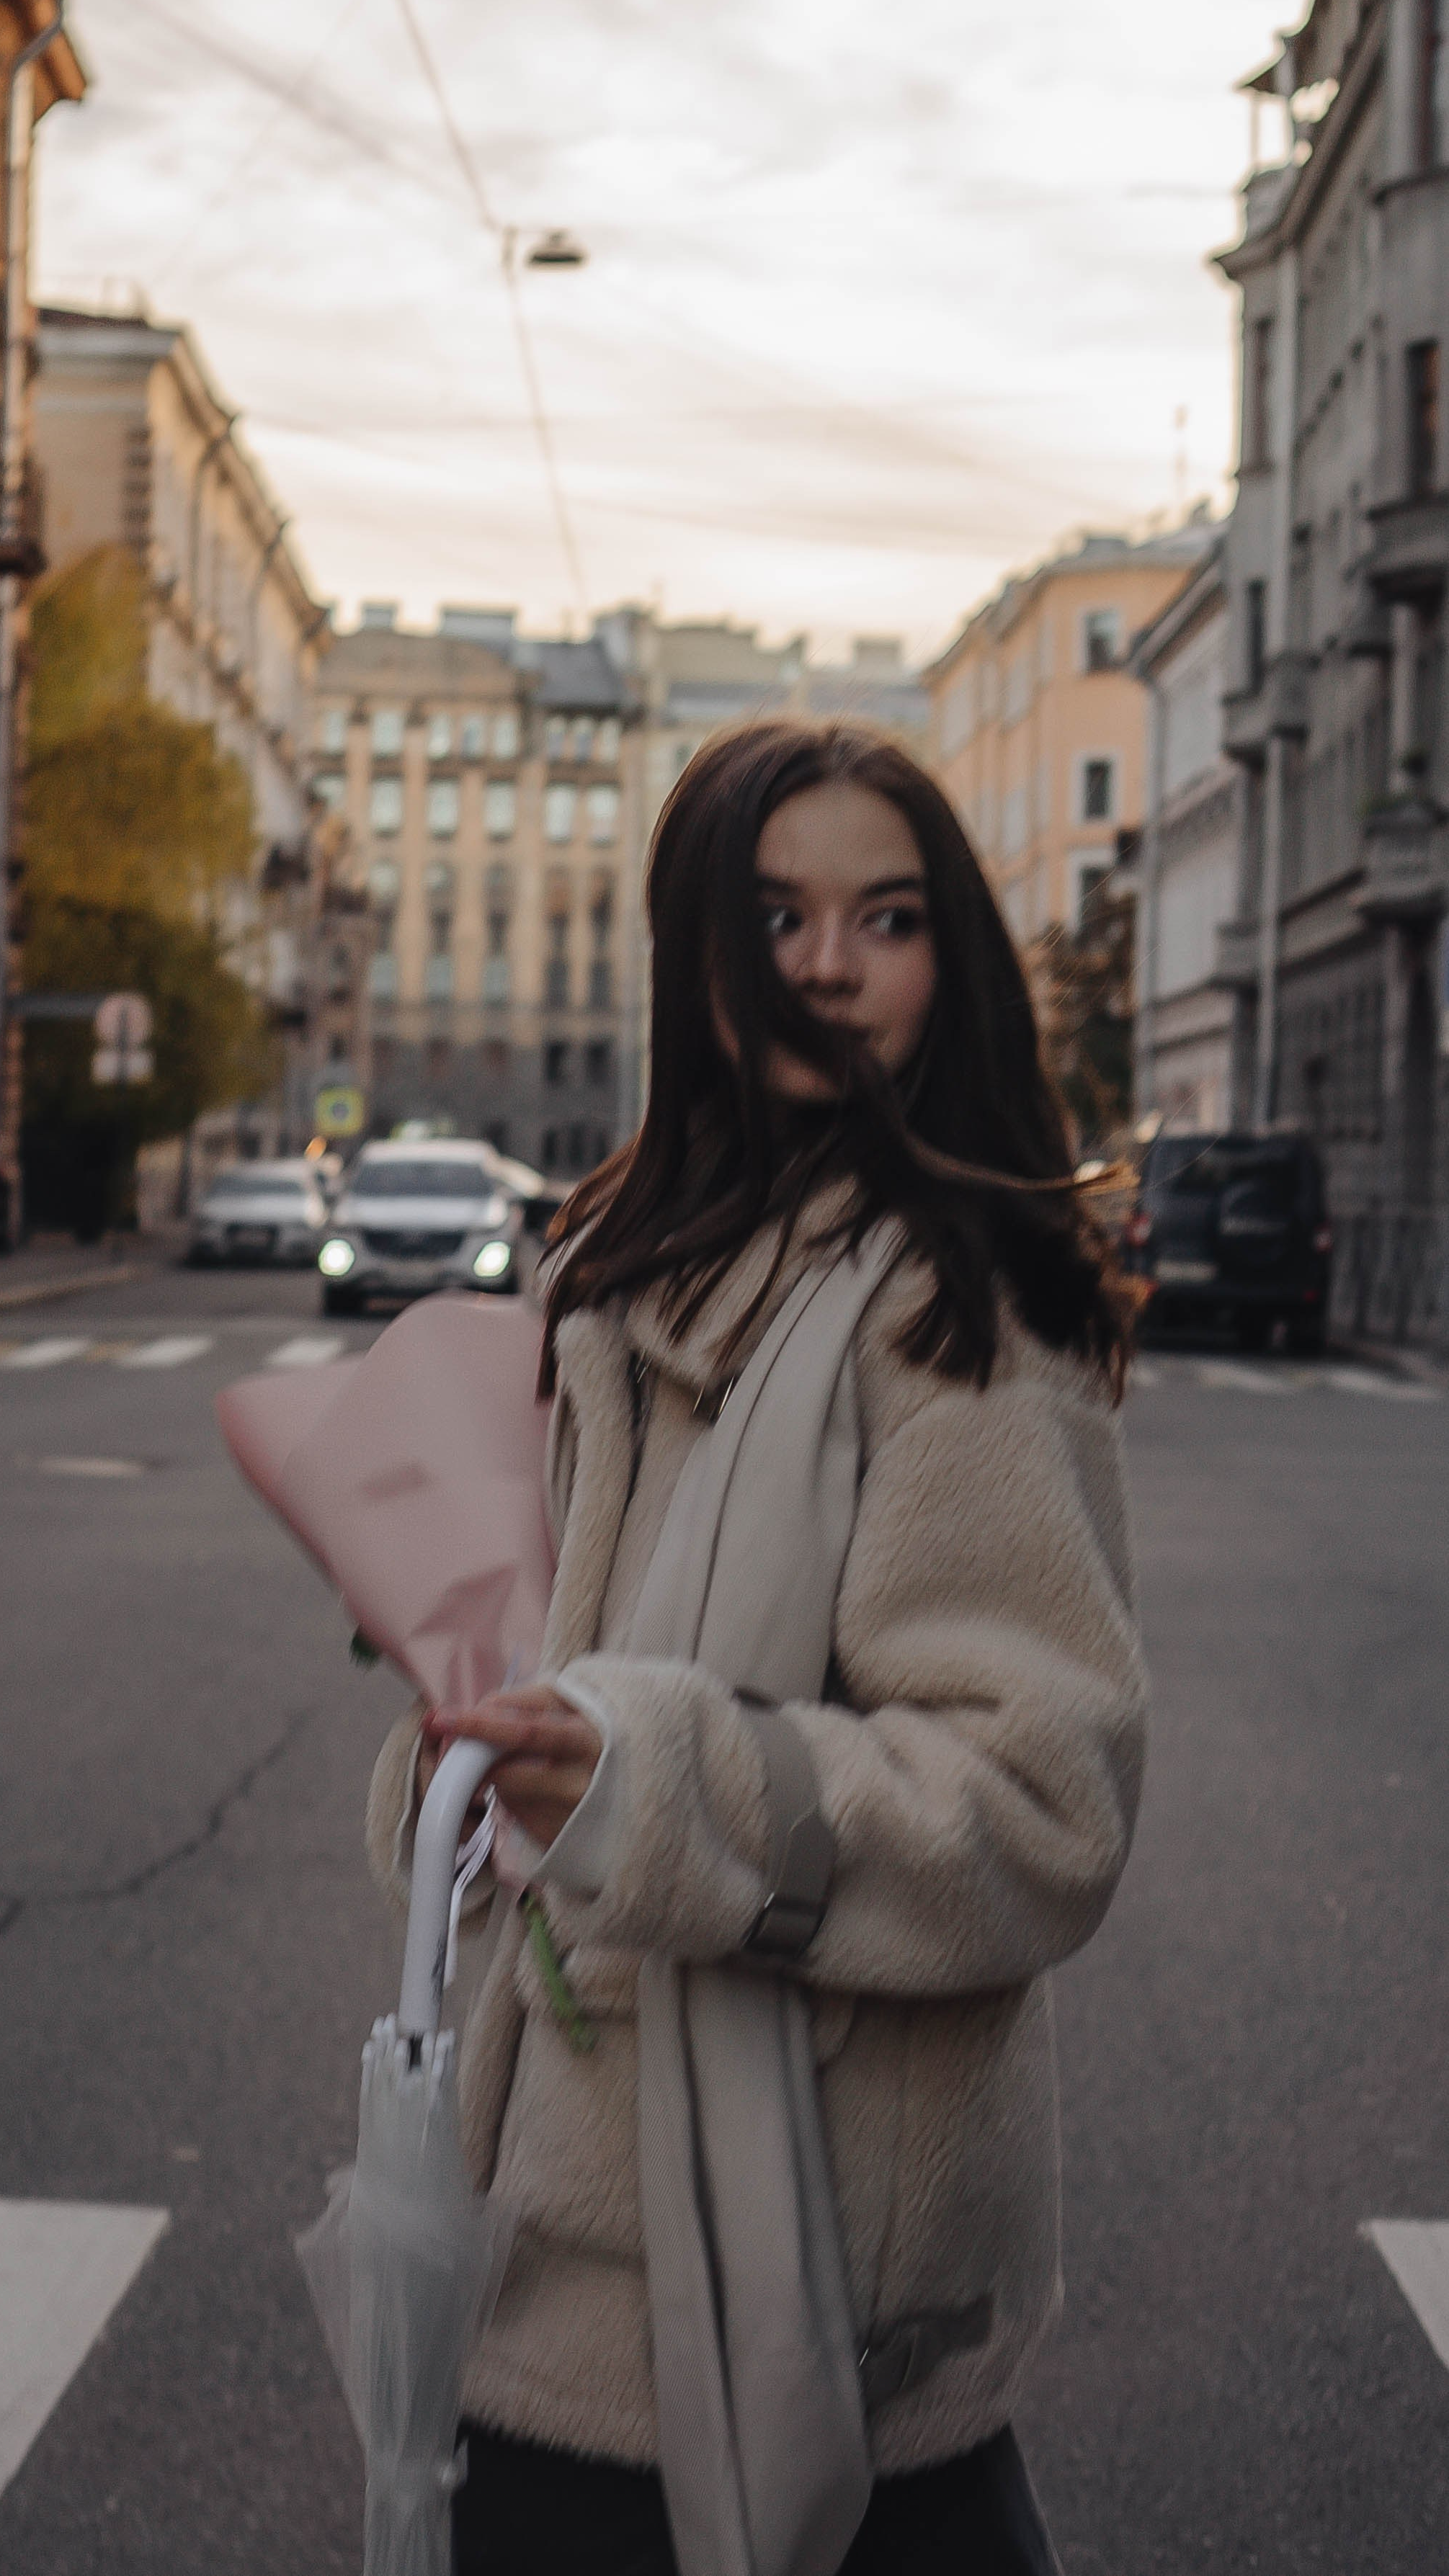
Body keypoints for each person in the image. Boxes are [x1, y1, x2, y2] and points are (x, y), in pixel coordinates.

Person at [365, 720, 1146, 2576]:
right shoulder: (628, 1275)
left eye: (884, 916)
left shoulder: (964, 1306)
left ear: (950, 960)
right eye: (772, 915)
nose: (821, 961)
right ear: (692, 963)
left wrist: (650, 1782)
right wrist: (471, 1765)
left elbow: (1046, 1800)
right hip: (552, 2234)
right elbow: (578, 1685)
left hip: (804, 2278)